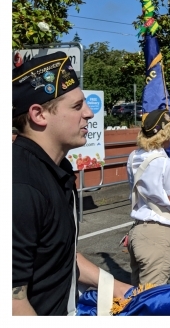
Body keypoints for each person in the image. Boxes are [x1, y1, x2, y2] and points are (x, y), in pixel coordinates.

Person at [12, 53, 132, 315]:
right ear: (39, 114)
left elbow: (60, 257)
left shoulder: (58, 170)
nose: (89, 113)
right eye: (77, 107)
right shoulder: (20, 187)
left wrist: (121, 289)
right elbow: (12, 303)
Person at [126, 109, 170, 286]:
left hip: (137, 229)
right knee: (152, 298)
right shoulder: (166, 165)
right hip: (158, 233)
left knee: (137, 293)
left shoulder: (132, 157)